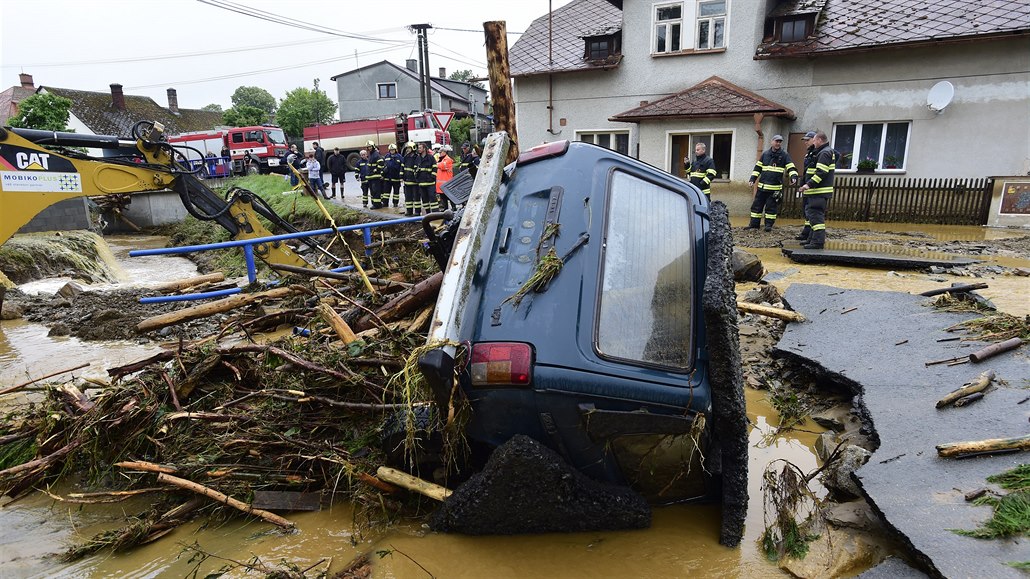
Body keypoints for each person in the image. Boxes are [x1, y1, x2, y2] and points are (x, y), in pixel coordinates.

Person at [748, 135, 798, 231]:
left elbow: (791, 167)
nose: (778, 143)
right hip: (762, 188)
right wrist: (752, 179)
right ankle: (754, 225)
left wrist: (793, 176)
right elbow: (757, 168)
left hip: (774, 189)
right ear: (772, 142)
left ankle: (768, 226)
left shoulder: (784, 155)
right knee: (756, 207)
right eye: (776, 141)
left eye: (780, 142)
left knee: (771, 209)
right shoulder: (765, 154)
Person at [797, 130, 837, 250]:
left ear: (819, 140)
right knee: (812, 215)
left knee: (816, 217)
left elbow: (821, 173)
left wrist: (808, 185)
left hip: (818, 191)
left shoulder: (824, 153)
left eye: (814, 140)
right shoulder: (822, 152)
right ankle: (811, 239)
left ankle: (817, 243)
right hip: (816, 191)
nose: (813, 143)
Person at [796, 131, 818, 241]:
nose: (805, 142)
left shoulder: (819, 152)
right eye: (804, 140)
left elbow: (835, 155)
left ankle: (809, 234)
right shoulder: (809, 153)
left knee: (811, 211)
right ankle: (806, 232)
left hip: (813, 187)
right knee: (806, 210)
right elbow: (806, 171)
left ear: (814, 139)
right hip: (807, 186)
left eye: (807, 140)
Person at [416, 142, 437, 216]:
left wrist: (432, 177)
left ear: (424, 149)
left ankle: (435, 214)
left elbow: (435, 167)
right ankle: (428, 214)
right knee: (424, 200)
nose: (418, 149)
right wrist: (417, 176)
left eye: (420, 148)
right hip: (421, 183)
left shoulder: (430, 157)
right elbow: (415, 168)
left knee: (432, 198)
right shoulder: (418, 158)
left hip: (430, 183)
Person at [383, 143, 404, 210]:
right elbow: (383, 165)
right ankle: (385, 204)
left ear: (395, 150)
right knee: (386, 192)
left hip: (396, 178)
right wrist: (383, 173)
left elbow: (402, 167)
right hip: (387, 178)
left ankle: (395, 203)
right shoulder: (386, 156)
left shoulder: (399, 157)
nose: (392, 151)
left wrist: (401, 176)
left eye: (393, 150)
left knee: (396, 193)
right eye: (391, 150)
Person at [401, 142, 419, 216]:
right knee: (408, 197)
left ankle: (417, 212)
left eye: (409, 148)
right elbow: (402, 167)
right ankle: (409, 211)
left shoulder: (417, 157)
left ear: (413, 148)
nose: (407, 150)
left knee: (416, 197)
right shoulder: (405, 157)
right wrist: (401, 177)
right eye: (407, 148)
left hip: (414, 181)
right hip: (407, 180)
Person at [365, 140, 384, 209]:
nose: (369, 148)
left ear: (373, 146)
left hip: (375, 177)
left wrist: (377, 170)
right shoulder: (371, 154)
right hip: (371, 176)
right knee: (373, 191)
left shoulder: (375, 154)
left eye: (370, 147)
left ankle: (377, 205)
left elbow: (381, 163)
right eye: (368, 147)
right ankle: (375, 204)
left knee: (376, 191)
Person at [435, 145, 455, 211]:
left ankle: (453, 208)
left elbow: (442, 166)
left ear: (444, 152)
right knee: (443, 197)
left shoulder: (448, 159)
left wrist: (436, 164)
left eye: (440, 152)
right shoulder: (441, 159)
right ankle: (445, 208)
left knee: (449, 196)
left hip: (447, 182)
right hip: (441, 184)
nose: (439, 153)